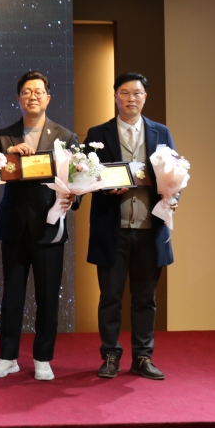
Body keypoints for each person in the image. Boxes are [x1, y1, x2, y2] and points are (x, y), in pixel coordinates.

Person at [84, 72, 177, 381]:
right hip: (112, 229)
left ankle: (142, 357)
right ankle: (110, 355)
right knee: (110, 297)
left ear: (145, 97)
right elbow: (83, 177)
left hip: (150, 230)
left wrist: (172, 194)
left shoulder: (161, 132)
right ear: (115, 96)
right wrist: (104, 188)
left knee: (145, 298)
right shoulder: (97, 133)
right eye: (124, 93)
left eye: (137, 93)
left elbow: (175, 173)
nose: (131, 98)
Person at [0, 71, 78, 382]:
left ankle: (43, 358)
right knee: (12, 295)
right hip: (14, 225)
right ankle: (7, 357)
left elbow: (77, 178)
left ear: (48, 98)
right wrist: (7, 157)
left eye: (38, 91)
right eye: (26, 91)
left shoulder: (66, 137)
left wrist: (73, 198)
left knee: (48, 297)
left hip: (50, 225)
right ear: (18, 98)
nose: (33, 96)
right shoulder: (4, 136)